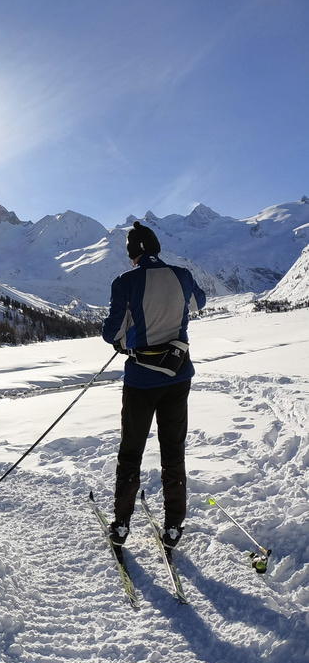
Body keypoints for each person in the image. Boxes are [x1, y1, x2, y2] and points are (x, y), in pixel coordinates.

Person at [102, 221, 207, 549]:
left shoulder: (125, 282)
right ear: (157, 248)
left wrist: (128, 340)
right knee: (173, 452)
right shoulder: (183, 275)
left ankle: (120, 526)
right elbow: (197, 304)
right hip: (178, 376)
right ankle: (173, 527)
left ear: (134, 254)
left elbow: (111, 334)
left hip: (141, 380)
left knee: (131, 452)